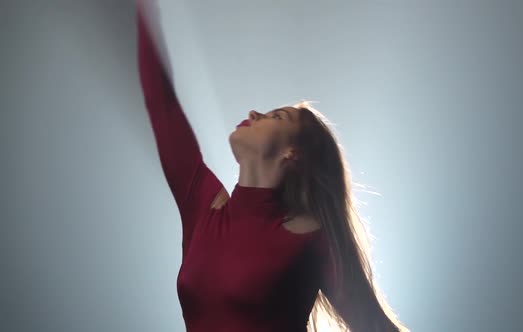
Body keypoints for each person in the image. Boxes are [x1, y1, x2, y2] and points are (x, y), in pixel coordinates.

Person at [136, 1, 409, 331]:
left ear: (292, 154)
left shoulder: (313, 236)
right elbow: (161, 103)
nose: (253, 113)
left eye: (275, 116)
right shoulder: (202, 205)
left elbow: (375, 326)